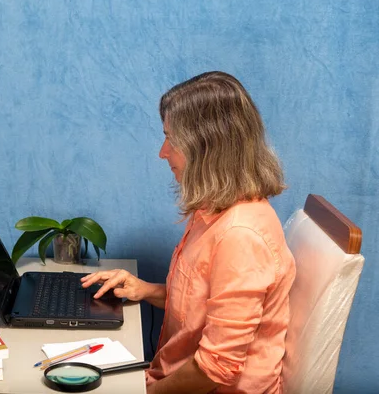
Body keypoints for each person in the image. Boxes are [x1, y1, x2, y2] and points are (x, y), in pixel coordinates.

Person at [81, 71, 296, 394]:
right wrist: (144, 290)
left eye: (172, 140)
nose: (162, 152)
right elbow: (206, 307)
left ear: (207, 147)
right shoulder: (213, 208)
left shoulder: (241, 236)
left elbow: (216, 369)